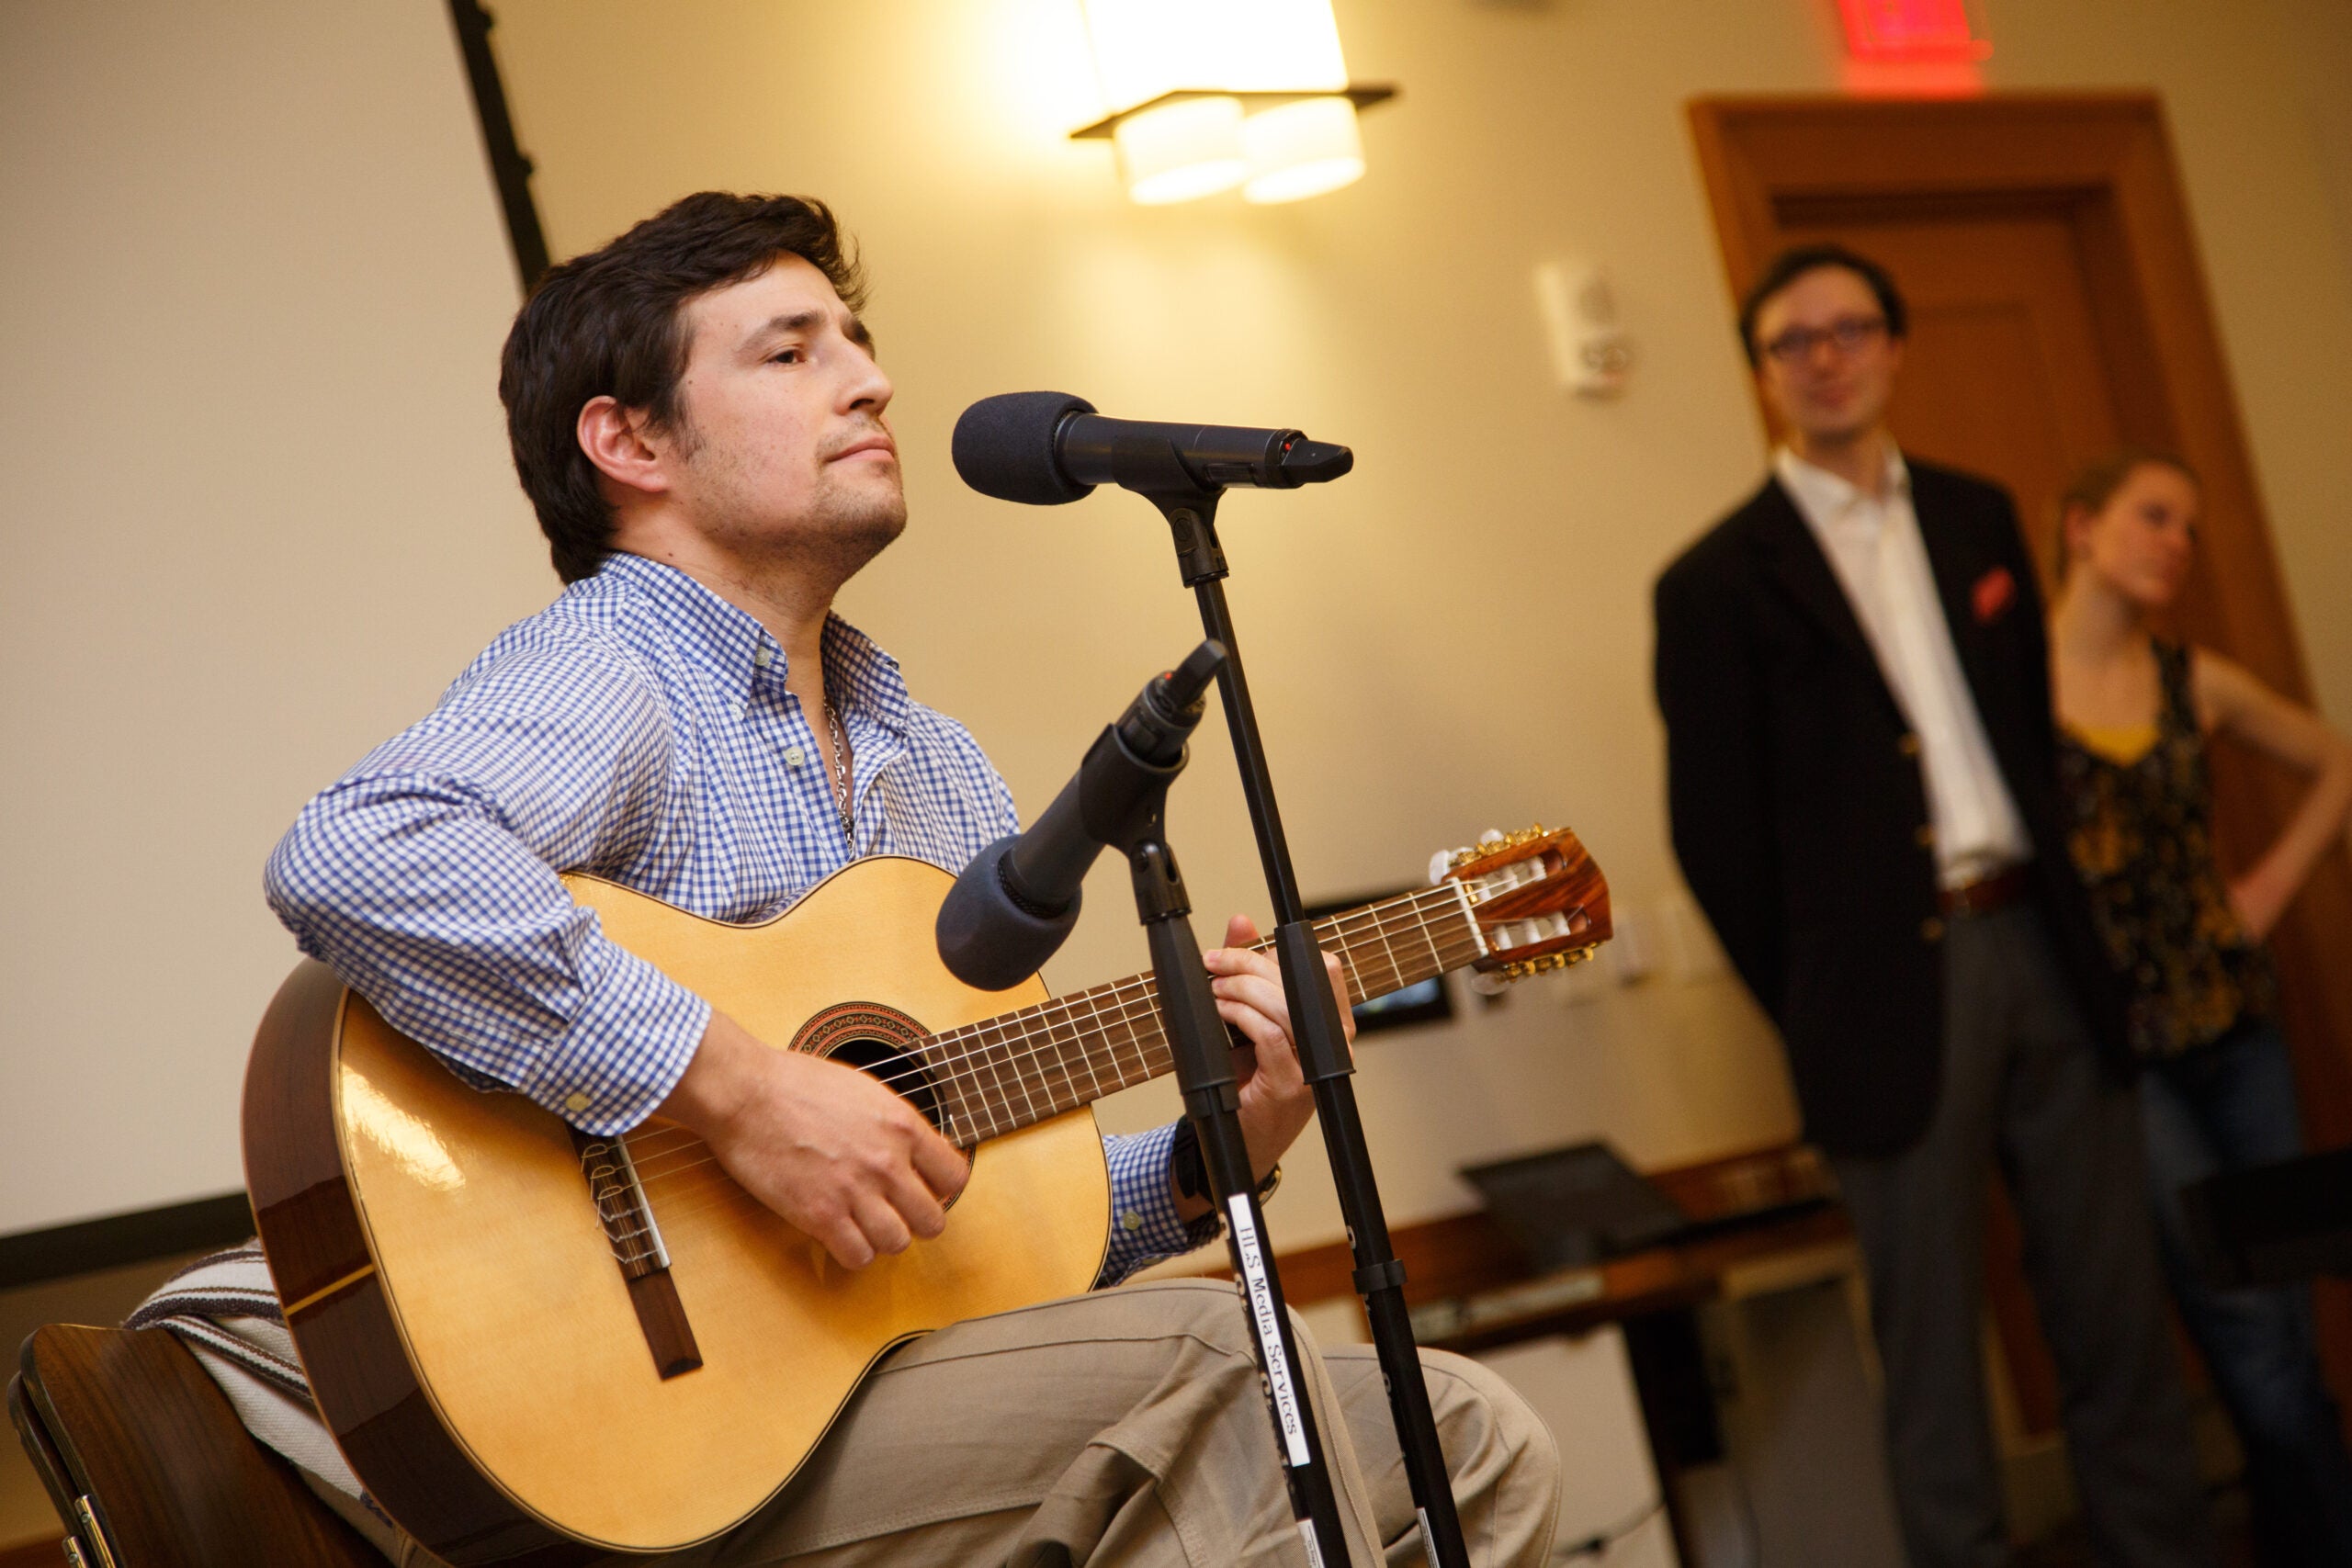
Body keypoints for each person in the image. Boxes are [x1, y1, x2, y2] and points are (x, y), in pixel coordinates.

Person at [135, 192, 1559, 1567]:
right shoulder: (619, 671)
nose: (870, 383)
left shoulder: (932, 764)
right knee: (1218, 1360)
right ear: (630, 440)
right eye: (792, 350)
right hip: (664, 1440)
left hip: (881, 1393)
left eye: (858, 339)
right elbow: (357, 850)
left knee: (1470, 1435)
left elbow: (1000, 1237)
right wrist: (743, 1093)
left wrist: (1227, 1139)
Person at [1652, 243, 2217, 1568]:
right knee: (1932, 1355)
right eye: (1799, 339)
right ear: (1768, 372)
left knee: (2117, 1318)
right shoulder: (1716, 581)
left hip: (2045, 948)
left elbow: (2026, 729)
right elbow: (1714, 838)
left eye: (1853, 329)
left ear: (1897, 348)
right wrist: (1817, 994)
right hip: (1886, 998)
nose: (1830, 354)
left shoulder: (1977, 516)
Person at [2049, 448, 2352, 1566]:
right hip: (2122, 1057)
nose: (2174, 542)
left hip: (2237, 1030)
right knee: (2232, 1312)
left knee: (2283, 1300)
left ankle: (2304, 1530)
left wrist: (2266, 888)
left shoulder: (2198, 681)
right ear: (2081, 527)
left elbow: (2334, 763)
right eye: (2152, 517)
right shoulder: (2014, 689)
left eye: (2187, 528)